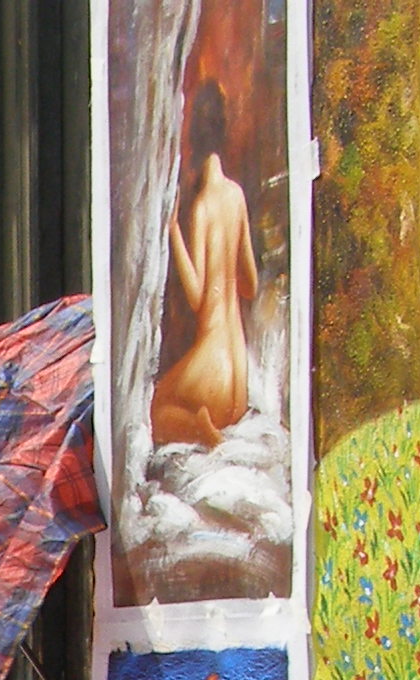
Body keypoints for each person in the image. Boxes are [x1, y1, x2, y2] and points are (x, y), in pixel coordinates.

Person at [149, 80, 258, 450]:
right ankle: (209, 427)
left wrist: (172, 231)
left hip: (212, 369)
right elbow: (250, 286)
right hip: (237, 378)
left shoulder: (202, 206)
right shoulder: (236, 196)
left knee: (157, 408)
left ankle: (202, 432)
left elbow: (197, 298)